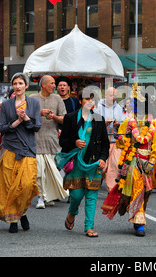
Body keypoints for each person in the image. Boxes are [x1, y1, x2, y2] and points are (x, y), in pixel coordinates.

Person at [101, 86, 156, 237]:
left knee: (147, 191)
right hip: (133, 160)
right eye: (137, 104)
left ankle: (137, 212)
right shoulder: (129, 121)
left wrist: (153, 161)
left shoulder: (153, 122)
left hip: (148, 161)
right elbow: (121, 140)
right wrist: (124, 138)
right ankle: (139, 221)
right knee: (138, 189)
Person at [56, 89, 109, 237]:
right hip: (76, 164)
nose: (90, 102)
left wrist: (103, 159)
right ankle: (72, 213)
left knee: (91, 197)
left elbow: (105, 144)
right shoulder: (70, 118)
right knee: (77, 196)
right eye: (87, 98)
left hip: (93, 164)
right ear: (80, 101)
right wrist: (75, 142)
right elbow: (62, 141)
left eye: (92, 99)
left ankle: (89, 227)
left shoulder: (99, 119)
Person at [0, 73, 41, 233]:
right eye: (15, 83)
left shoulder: (34, 103)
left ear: (26, 86)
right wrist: (18, 121)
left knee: (27, 185)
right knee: (10, 187)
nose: (18, 86)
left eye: (21, 83)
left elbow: (36, 126)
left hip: (28, 149)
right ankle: (13, 220)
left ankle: (23, 212)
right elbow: (1, 128)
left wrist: (26, 118)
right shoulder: (6, 105)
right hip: (10, 148)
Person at [30, 75, 68, 209]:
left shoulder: (57, 99)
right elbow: (26, 118)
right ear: (43, 85)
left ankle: (48, 196)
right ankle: (40, 197)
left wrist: (54, 117)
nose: (54, 86)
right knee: (39, 172)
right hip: (36, 140)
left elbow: (64, 119)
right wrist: (39, 113)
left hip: (52, 140)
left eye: (54, 83)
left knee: (50, 171)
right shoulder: (33, 99)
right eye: (51, 83)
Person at [94, 87, 125, 192]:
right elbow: (94, 122)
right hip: (102, 142)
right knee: (102, 167)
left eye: (115, 95)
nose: (114, 98)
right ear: (106, 95)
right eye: (111, 95)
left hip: (114, 142)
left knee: (114, 166)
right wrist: (104, 124)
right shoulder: (98, 107)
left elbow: (123, 123)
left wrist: (118, 123)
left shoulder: (119, 108)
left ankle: (111, 190)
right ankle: (96, 182)